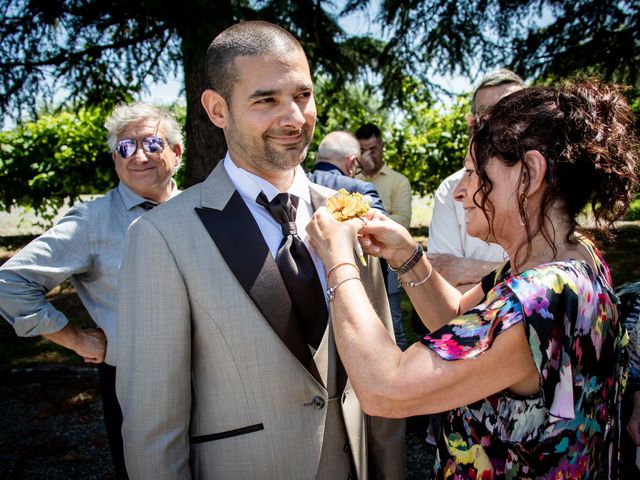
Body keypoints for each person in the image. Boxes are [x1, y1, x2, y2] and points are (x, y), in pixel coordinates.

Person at [115, 21, 404, 480]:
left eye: (302, 96)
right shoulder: (160, 237)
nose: (293, 117)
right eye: (266, 100)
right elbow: (153, 423)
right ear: (217, 109)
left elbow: (382, 365)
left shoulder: (350, 215)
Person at [307, 81, 636, 478]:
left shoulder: (534, 301)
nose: (461, 192)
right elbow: (457, 316)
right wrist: (407, 255)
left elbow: (386, 391)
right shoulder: (569, 258)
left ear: (529, 173)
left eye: (472, 172)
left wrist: (338, 259)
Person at [0, 102, 183, 479]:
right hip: (137, 383)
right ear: (116, 159)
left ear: (176, 152)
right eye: (126, 147)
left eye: (151, 143)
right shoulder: (91, 222)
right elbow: (11, 281)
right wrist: (77, 340)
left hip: (218, 379)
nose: (139, 156)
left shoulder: (201, 209)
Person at [428, 68, 525, 292]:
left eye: (508, 115)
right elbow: (443, 283)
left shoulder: (548, 182)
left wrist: (467, 269)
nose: (496, 127)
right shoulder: (451, 189)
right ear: (472, 124)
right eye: (486, 117)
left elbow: (556, 270)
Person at [356, 123, 411, 349]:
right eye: (363, 150)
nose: (368, 155)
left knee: (393, 317)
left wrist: (362, 221)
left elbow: (403, 221)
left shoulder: (398, 181)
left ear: (382, 147)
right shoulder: (352, 178)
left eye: (373, 149)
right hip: (360, 256)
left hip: (389, 260)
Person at [307, 130, 385, 212]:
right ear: (351, 163)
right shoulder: (361, 189)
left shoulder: (296, 182)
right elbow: (382, 223)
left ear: (317, 157)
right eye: (357, 166)